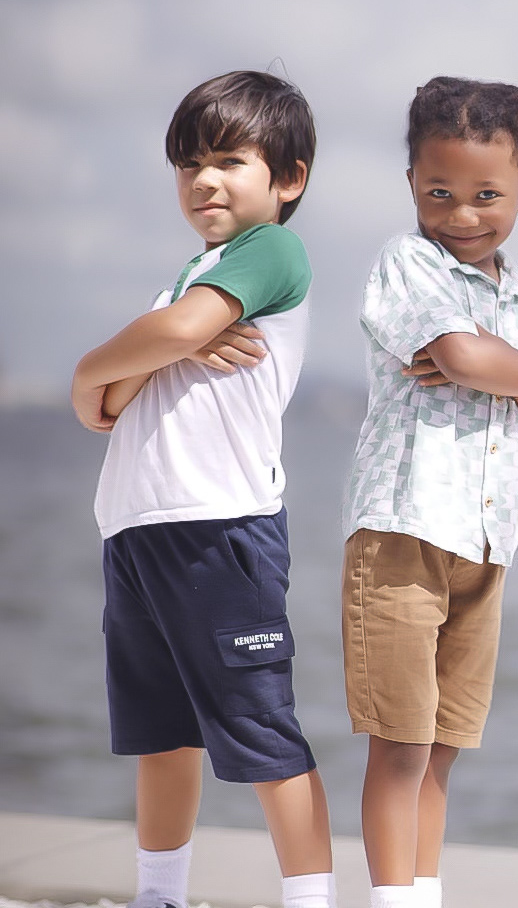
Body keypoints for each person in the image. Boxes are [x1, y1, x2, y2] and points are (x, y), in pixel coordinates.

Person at [71, 70, 335, 908]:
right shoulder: (195, 274)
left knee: (262, 731)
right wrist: (143, 355)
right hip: (137, 531)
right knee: (160, 733)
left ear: (288, 178)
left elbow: (125, 366)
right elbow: (109, 403)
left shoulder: (271, 250)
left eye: (227, 160)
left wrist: (108, 362)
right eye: (189, 164)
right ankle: (158, 896)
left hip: (219, 529)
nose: (203, 180)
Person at [341, 76, 518, 908]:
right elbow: (474, 362)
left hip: (485, 544)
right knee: (400, 745)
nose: (461, 214)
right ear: (412, 178)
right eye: (439, 191)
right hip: (404, 532)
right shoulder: (407, 261)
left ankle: (424, 895)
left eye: (487, 195)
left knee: (441, 748)